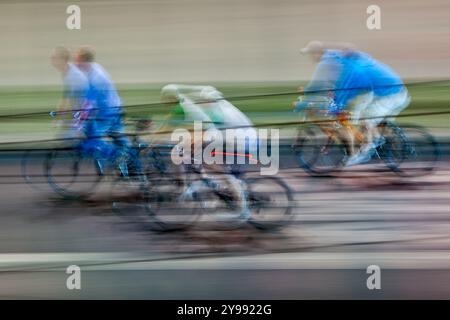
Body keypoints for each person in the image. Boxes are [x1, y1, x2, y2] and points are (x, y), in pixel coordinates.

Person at [74, 46, 130, 168]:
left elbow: (88, 103)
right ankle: (128, 164)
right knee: (118, 139)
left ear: (84, 61)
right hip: (112, 110)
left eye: (77, 60)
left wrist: (79, 121)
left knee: (93, 137)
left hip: (109, 113)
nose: (75, 63)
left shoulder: (95, 77)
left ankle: (116, 156)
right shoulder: (93, 70)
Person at [50, 46, 89, 140]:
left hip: (85, 114)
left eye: (54, 58)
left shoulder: (73, 76)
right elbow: (66, 97)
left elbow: (68, 103)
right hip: (80, 113)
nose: (52, 60)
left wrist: (58, 119)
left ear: (63, 60)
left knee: (66, 140)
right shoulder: (68, 71)